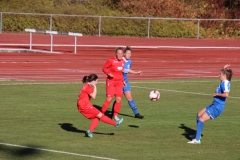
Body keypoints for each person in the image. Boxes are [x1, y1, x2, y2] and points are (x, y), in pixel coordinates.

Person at [187, 64, 233, 144]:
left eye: (220, 74)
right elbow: (225, 78)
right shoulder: (225, 81)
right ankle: (198, 134)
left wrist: (216, 94)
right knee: (199, 113)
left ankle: (197, 140)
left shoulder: (224, 83)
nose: (219, 75)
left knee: (201, 119)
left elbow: (226, 94)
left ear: (224, 75)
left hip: (217, 107)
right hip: (214, 104)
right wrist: (224, 69)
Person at [77, 74, 123, 138]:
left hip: (82, 105)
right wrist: (95, 87)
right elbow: (94, 96)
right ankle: (116, 124)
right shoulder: (88, 88)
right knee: (101, 115)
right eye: (96, 81)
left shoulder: (85, 86)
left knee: (97, 117)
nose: (97, 83)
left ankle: (90, 131)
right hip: (85, 106)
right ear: (93, 81)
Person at [101, 47, 126, 121]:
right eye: (118, 53)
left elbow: (120, 73)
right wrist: (108, 73)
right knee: (109, 98)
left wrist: (123, 80)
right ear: (116, 53)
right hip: (111, 82)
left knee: (118, 99)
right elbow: (104, 68)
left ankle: (115, 115)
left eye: (121, 53)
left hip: (119, 83)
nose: (120, 55)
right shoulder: (111, 60)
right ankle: (101, 114)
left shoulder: (123, 61)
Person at [120, 46, 144, 119]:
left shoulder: (130, 61)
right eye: (127, 53)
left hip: (125, 81)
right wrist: (135, 72)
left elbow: (128, 69)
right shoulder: (120, 60)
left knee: (130, 97)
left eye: (130, 53)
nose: (129, 55)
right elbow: (123, 70)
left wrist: (136, 72)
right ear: (124, 54)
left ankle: (136, 114)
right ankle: (113, 114)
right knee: (118, 99)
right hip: (119, 81)